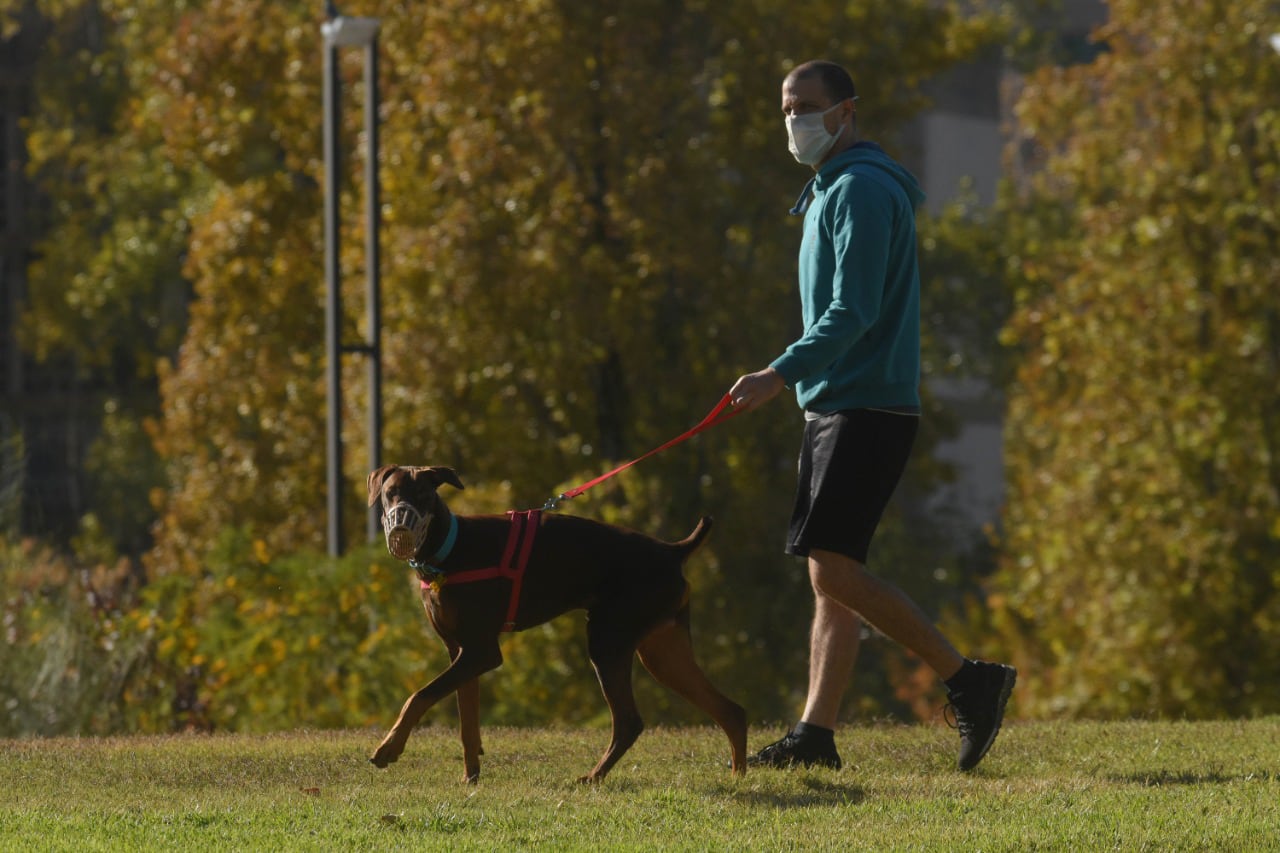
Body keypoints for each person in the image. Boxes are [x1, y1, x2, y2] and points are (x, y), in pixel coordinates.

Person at [728, 59, 1016, 772]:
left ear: (847, 110)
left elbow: (851, 312)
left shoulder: (858, 189)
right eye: (787, 107)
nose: (794, 120)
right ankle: (815, 732)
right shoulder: (830, 188)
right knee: (834, 571)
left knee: (834, 573)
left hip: (865, 406)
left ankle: (968, 680)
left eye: (808, 106)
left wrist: (777, 372)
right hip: (837, 405)